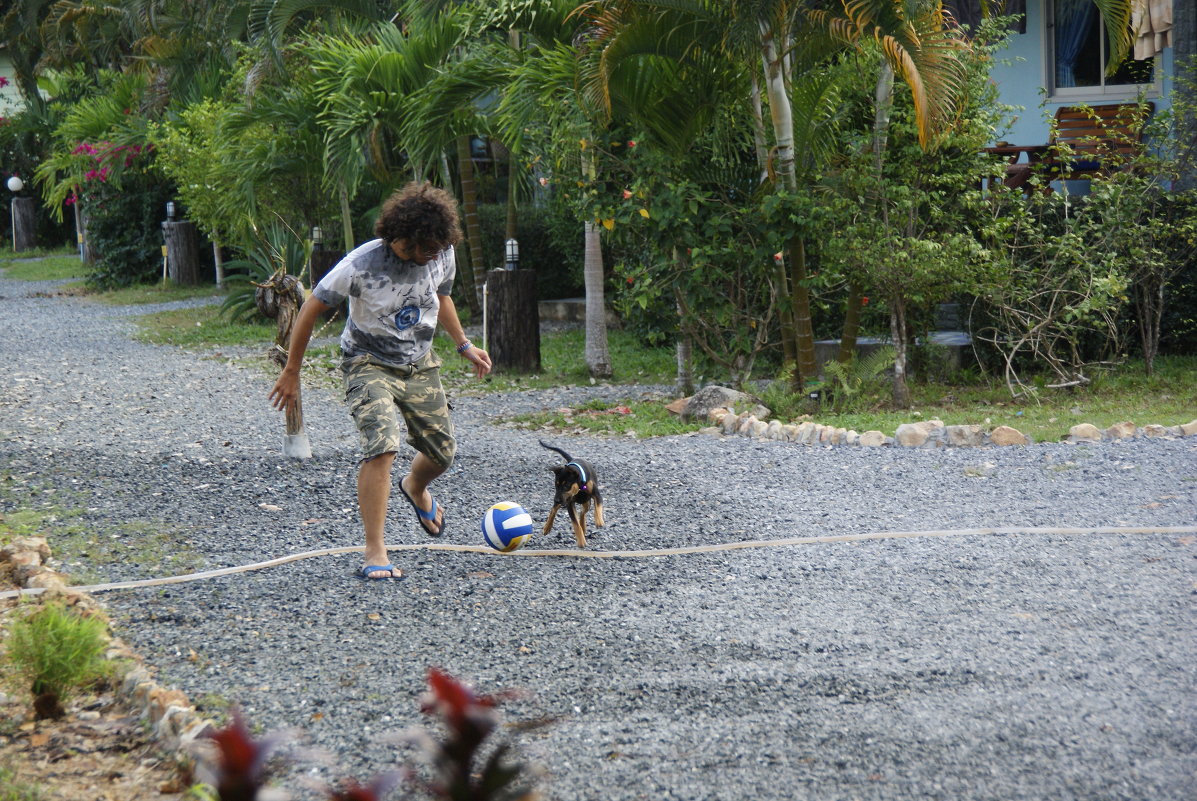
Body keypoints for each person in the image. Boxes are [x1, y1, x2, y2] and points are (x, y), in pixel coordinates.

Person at [269, 182, 492, 580]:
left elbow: (442, 296)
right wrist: (292, 371)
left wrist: (463, 345)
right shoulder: (361, 264)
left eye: (436, 249)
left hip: (419, 362)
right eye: (422, 248)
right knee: (382, 445)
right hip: (367, 361)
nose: (429, 257)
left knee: (443, 452)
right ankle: (375, 552)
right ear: (400, 235)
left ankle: (416, 488)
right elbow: (311, 308)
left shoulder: (442, 251)